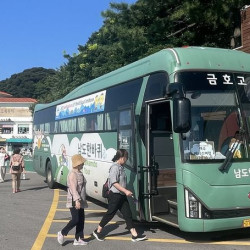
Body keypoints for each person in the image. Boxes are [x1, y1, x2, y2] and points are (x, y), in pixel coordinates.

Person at [93, 149, 147, 242]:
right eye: (126, 158)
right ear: (122, 158)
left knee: (128, 214)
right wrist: (126, 191)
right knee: (110, 214)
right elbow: (114, 182)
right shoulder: (115, 167)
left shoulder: (121, 167)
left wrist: (125, 192)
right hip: (115, 195)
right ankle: (98, 231)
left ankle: (134, 235)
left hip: (121, 195)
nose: (126, 160)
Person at [57, 154, 88, 246]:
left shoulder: (79, 172)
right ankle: (62, 232)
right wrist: (77, 200)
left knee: (81, 219)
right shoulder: (72, 174)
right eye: (82, 163)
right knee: (76, 219)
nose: (83, 164)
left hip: (80, 199)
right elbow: (73, 189)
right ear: (78, 164)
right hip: (74, 200)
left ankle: (78, 238)